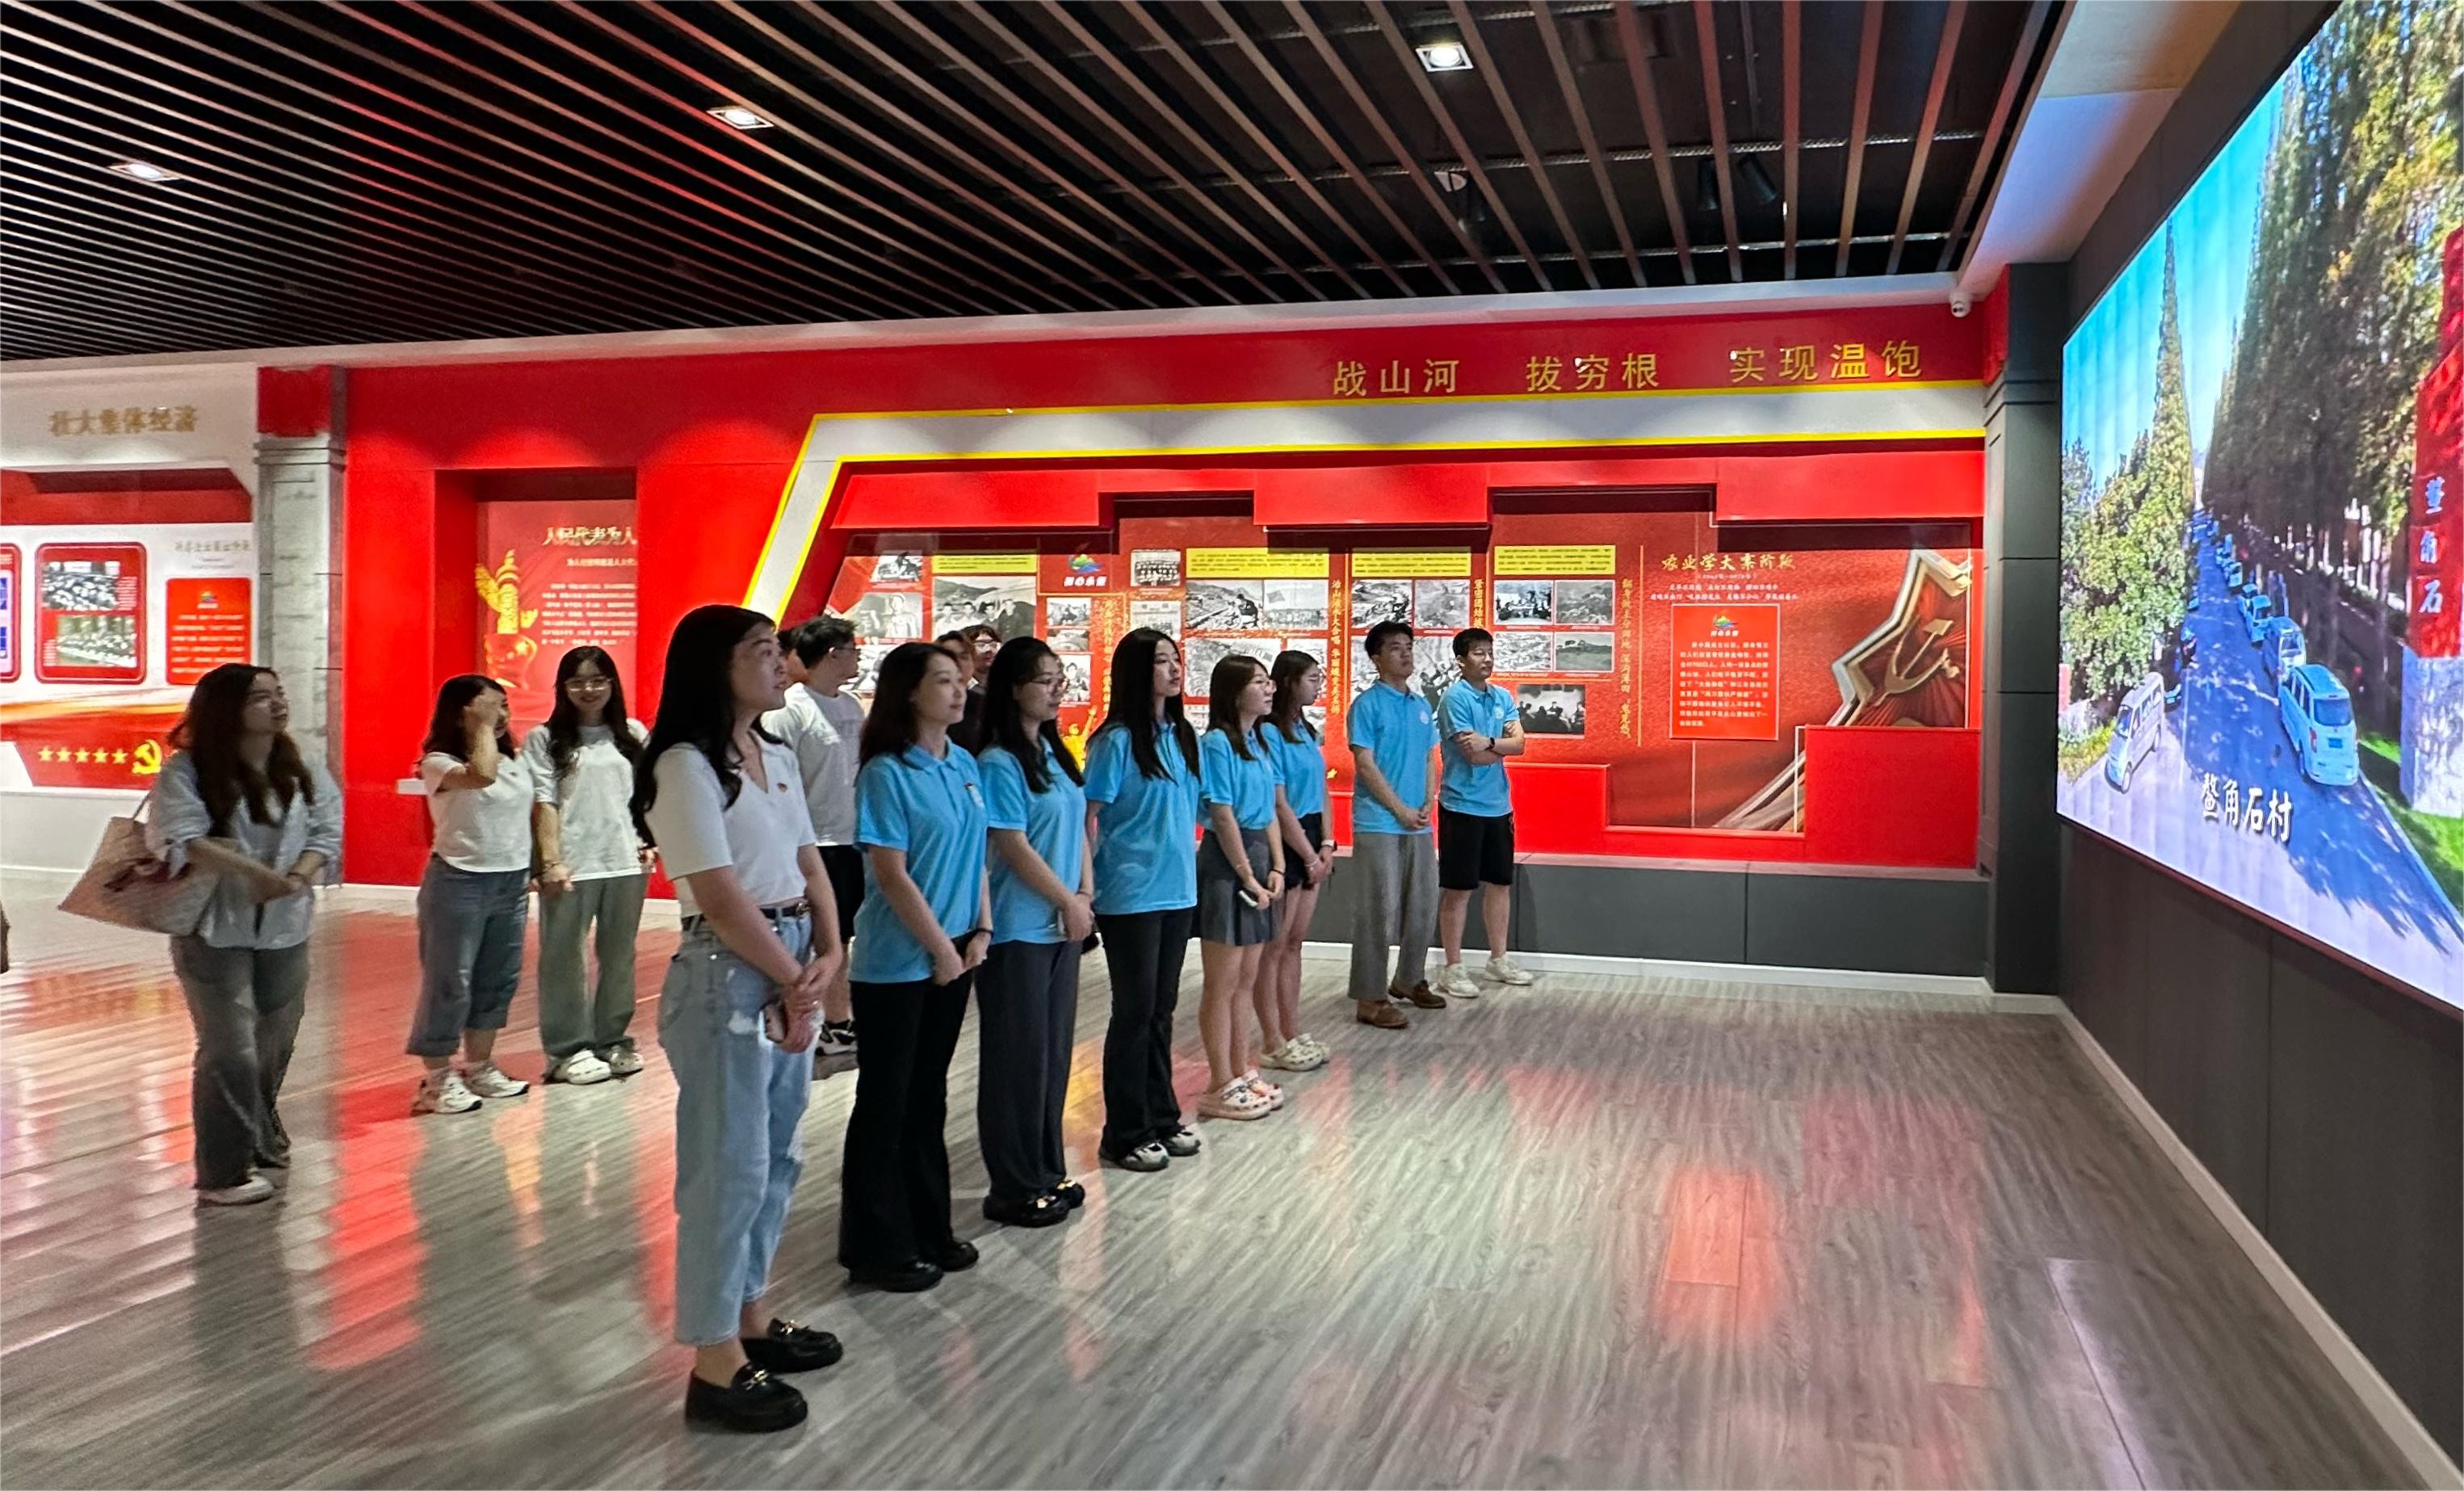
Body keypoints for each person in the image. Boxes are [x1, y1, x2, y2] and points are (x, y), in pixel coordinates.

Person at [633, 604, 846, 1434]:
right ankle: (713, 1355)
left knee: (779, 1154)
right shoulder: (684, 765)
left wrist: (828, 949)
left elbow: (808, 862)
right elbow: (719, 896)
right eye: (761, 651)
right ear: (714, 666)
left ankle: (751, 1313)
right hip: (729, 970)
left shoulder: (774, 752)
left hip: (790, 957)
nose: (779, 663)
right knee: (728, 1166)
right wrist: (797, 981)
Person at [151, 665, 341, 1205]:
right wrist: (255, 876)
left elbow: (327, 831)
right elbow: (181, 836)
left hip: (286, 925)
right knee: (229, 1049)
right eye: (260, 697)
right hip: (213, 928)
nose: (277, 704)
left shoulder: (301, 765)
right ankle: (223, 1172)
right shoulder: (187, 770)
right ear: (226, 708)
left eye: (279, 693)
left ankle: (258, 1134)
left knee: (273, 1043)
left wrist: (294, 880)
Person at [842, 641, 991, 1292]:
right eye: (943, 681)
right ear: (908, 691)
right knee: (887, 1101)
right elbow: (891, 874)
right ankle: (877, 1244)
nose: (958, 691)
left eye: (960, 681)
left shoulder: (962, 762)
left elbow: (977, 853)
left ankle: (929, 1226)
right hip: (899, 962)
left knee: (928, 1095)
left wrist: (981, 927)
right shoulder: (886, 772)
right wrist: (939, 947)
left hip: (956, 951)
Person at [973, 637, 1093, 1227]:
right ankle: (1013, 1184)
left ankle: (1047, 1168)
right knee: (1016, 1059)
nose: (1056, 689)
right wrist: (1064, 899)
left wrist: (1085, 895)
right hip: (1019, 928)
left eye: (1059, 679)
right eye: (1045, 680)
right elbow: (1011, 843)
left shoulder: (1053, 751)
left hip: (1061, 925)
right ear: (1014, 687)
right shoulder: (999, 761)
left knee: (1051, 1056)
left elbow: (1079, 825)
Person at [1083, 627, 1205, 1172]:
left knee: (1160, 1010)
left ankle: (1161, 1116)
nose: (1174, 669)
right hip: (1129, 893)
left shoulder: (1181, 735)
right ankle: (1124, 1131)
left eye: (1176, 659)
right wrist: (1084, 889)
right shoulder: (1114, 741)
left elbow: (1200, 809)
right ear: (1136, 672)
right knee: (1133, 1013)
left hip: (1177, 891)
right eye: (1161, 661)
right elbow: (1088, 817)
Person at [521, 646, 652, 1086]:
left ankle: (613, 1040)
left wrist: (649, 840)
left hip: (626, 862)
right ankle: (566, 1050)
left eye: (597, 680)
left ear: (612, 684)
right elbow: (544, 803)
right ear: (563, 688)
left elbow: (644, 796)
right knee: (562, 959)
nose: (588, 689)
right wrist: (551, 861)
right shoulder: (544, 739)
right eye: (577, 682)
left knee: (620, 957)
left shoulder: (632, 734)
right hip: (572, 865)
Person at [407, 675, 536, 1115]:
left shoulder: (515, 760)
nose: (500, 715)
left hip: (511, 883)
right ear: (461, 711)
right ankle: (437, 1079)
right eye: (489, 705)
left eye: (504, 705)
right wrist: (482, 727)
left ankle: (480, 1066)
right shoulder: (439, 762)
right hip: (459, 881)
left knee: (497, 980)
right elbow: (480, 776)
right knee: (450, 981)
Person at [1194, 654, 1289, 1121]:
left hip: (1257, 857)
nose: (1269, 689)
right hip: (1226, 864)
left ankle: (1241, 1069)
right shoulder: (1215, 743)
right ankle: (1219, 1081)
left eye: (1269, 681)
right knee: (1223, 981)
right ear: (1234, 693)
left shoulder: (1259, 740)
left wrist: (1278, 864)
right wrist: (1247, 875)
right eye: (1258, 682)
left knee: (1247, 978)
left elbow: (1268, 809)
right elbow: (1222, 812)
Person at [766, 617, 865, 1061]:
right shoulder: (790, 710)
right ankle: (810, 1021)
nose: (857, 657)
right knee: (817, 937)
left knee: (840, 937)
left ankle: (838, 1020)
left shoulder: (853, 707)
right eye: (851, 650)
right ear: (831, 655)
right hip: (810, 845)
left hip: (849, 839)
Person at [1345, 621, 1444, 1029]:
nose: (1405, 654)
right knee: (1378, 911)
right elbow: (1365, 765)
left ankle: (1409, 979)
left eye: (1409, 646)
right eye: (1395, 648)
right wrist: (1400, 809)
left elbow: (1428, 759)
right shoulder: (1367, 705)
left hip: (1418, 823)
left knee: (1423, 905)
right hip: (1379, 822)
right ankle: (1370, 997)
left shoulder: (1420, 705)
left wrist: (1427, 802)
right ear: (1376, 658)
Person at [1433, 628, 1535, 998]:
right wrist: (1499, 746)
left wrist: (1491, 741)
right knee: (1459, 889)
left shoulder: (1501, 696)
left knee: (1500, 884)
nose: (1487, 659)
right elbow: (1472, 756)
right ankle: (1453, 967)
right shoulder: (1454, 699)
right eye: (1478, 653)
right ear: (1461, 660)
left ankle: (1498, 959)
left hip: (1499, 806)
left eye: (1489, 652)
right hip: (1461, 805)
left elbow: (1520, 745)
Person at [1254, 650, 1333, 1074]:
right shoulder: (1269, 732)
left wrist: (1327, 844)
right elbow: (1279, 803)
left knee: (1294, 942)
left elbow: (1321, 790)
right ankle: (1272, 1039)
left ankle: (1292, 1029)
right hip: (1287, 841)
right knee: (1275, 944)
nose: (1318, 685)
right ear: (1289, 682)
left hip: (1313, 836)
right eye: (1312, 678)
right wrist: (1306, 854)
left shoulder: (1306, 729)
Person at [936, 628, 989, 752]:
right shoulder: (930, 703)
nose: (957, 663)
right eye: (950, 656)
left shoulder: (984, 704)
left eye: (964, 657)